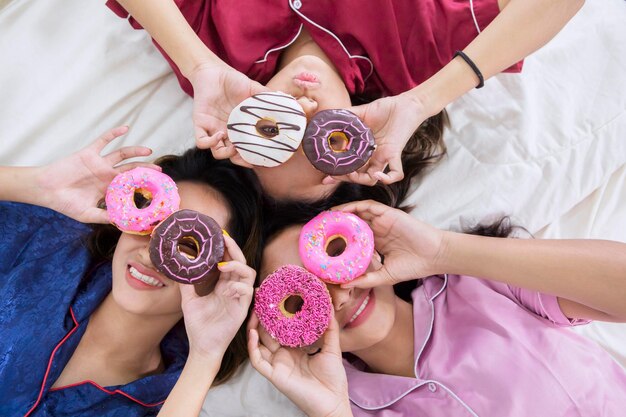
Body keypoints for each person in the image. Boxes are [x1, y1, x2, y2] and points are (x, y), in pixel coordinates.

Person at [106, 0, 584, 194]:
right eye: (325, 141)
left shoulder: (213, 61)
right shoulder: (421, 61)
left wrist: (199, 64)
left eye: (276, 131)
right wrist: (424, 101)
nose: (304, 109)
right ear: (359, 139)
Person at [248, 199, 626, 417]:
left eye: (331, 257)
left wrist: (442, 251)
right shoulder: (344, 408)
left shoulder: (478, 283)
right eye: (303, 298)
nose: (340, 295)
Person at [0, 126, 262, 417]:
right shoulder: (46, 243)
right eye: (152, 220)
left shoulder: (170, 402)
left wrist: (206, 356)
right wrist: (38, 184)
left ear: (221, 276)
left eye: (188, 245)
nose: (152, 253)